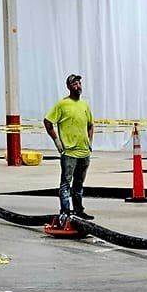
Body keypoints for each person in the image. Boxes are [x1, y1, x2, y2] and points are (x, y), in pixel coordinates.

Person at [44, 72, 94, 218]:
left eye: (79, 83)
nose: (78, 86)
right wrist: (58, 142)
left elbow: (90, 125)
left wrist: (90, 142)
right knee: (66, 183)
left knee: (79, 184)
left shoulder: (84, 104)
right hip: (69, 153)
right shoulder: (62, 105)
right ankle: (65, 211)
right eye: (74, 84)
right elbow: (48, 122)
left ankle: (79, 210)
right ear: (69, 87)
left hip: (84, 152)